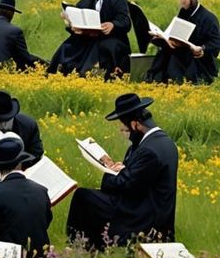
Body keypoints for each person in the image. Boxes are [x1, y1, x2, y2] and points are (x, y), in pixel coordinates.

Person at [65, 92, 179, 247]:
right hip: (147, 206)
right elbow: (137, 178)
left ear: (134, 124)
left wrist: (109, 171)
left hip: (143, 216)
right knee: (93, 197)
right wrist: (123, 170)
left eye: (123, 127)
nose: (122, 131)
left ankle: (81, 246)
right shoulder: (162, 142)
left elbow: (125, 186)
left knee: (83, 196)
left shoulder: (149, 151)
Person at [48, 0, 131, 76]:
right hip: (89, 37)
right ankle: (60, 70)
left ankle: (85, 73)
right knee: (69, 44)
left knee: (101, 46)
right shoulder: (85, 1)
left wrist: (113, 25)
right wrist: (71, 24)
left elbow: (126, 21)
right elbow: (76, 21)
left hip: (113, 38)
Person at [147, 0, 219, 83]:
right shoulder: (183, 13)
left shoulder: (209, 18)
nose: (181, 1)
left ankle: (175, 82)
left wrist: (202, 48)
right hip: (182, 53)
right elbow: (175, 33)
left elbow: (216, 44)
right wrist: (163, 38)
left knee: (176, 58)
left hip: (200, 60)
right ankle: (155, 80)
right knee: (164, 52)